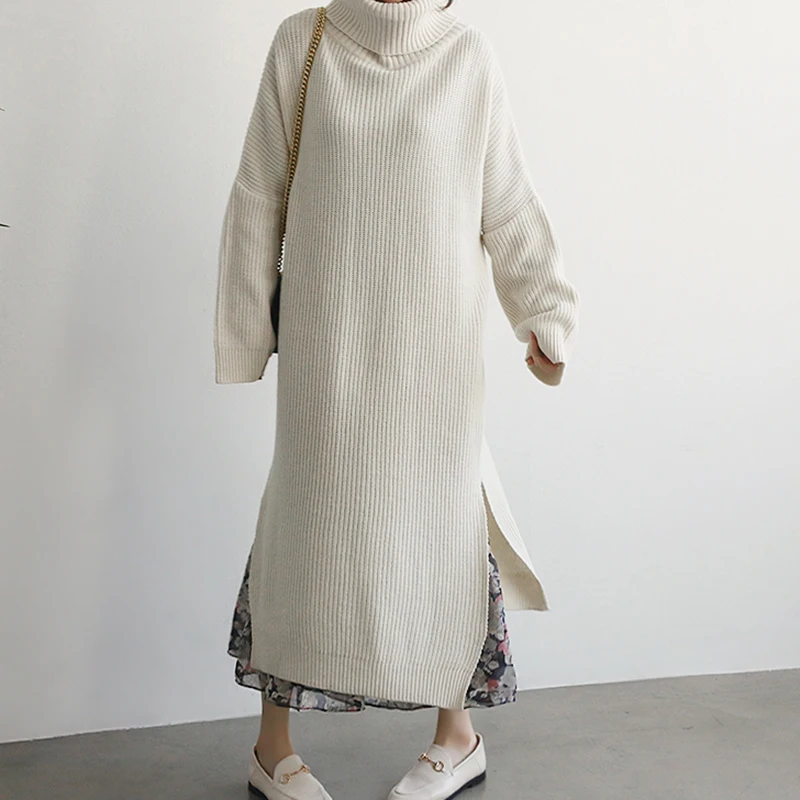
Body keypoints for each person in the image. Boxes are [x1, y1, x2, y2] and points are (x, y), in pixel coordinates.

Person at [213, 0, 580, 797]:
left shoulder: (468, 56)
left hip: (434, 358)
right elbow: (258, 195)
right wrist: (246, 336)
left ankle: (458, 736)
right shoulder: (304, 42)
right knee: (304, 538)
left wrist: (545, 312)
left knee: (443, 538)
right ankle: (272, 747)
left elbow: (507, 202)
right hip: (327, 352)